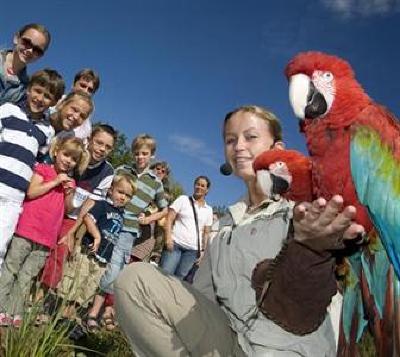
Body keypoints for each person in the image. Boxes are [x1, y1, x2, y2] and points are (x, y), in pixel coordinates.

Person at [114, 105, 365, 356]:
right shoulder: (223, 226)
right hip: (232, 345)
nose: (239, 146)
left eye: (251, 137)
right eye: (230, 140)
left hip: (294, 350)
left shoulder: (307, 212)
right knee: (135, 281)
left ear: (278, 149)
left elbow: (312, 302)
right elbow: (201, 299)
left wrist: (312, 248)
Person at [0, 137, 89, 327]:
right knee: (11, 269)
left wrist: (69, 192)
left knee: (27, 276)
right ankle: (1, 307)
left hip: (47, 237)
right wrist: (55, 181)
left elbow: (67, 209)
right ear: (56, 151)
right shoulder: (43, 170)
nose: (68, 161)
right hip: (26, 230)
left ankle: (14, 310)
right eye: (66, 154)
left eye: (73, 159)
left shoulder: (69, 183)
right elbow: (32, 192)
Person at [87, 134, 168, 330]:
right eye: (137, 153)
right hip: (109, 222)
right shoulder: (123, 170)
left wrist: (148, 219)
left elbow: (165, 209)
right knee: (95, 264)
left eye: (145, 154)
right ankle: (77, 305)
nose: (140, 157)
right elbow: (107, 192)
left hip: (129, 230)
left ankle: (93, 314)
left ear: (152, 156)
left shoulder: (155, 182)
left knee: (114, 271)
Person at [39, 124, 116, 293]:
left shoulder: (107, 171)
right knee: (39, 249)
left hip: (74, 217)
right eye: (99, 142)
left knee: (61, 253)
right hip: (53, 208)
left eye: (108, 147)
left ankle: (38, 300)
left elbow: (89, 205)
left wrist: (72, 232)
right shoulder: (75, 154)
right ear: (89, 140)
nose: (102, 149)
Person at [0, 68, 65, 270]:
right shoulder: (8, 110)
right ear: (28, 89)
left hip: (14, 196)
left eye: (47, 96)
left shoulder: (47, 131)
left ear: (53, 102)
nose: (40, 98)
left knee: (1, 244)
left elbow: (37, 160)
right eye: (37, 91)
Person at [62, 174, 136, 331]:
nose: (123, 197)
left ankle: (71, 320)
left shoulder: (122, 216)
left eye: (127, 195)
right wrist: (96, 235)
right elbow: (88, 218)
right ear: (110, 191)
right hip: (88, 253)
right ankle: (63, 317)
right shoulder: (102, 205)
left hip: (103, 260)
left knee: (87, 290)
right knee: (75, 285)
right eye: (120, 192)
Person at [160, 176, 213, 279]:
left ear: (207, 190)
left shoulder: (209, 210)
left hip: (192, 251)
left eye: (203, 186)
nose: (199, 187)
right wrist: (168, 238)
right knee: (165, 274)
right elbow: (169, 219)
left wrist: (203, 252)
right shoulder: (183, 199)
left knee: (179, 280)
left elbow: (206, 233)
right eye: (197, 184)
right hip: (175, 243)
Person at [0, 23, 51, 105]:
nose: (30, 51)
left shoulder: (26, 89)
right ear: (16, 38)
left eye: (37, 50)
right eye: (27, 42)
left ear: (40, 56)